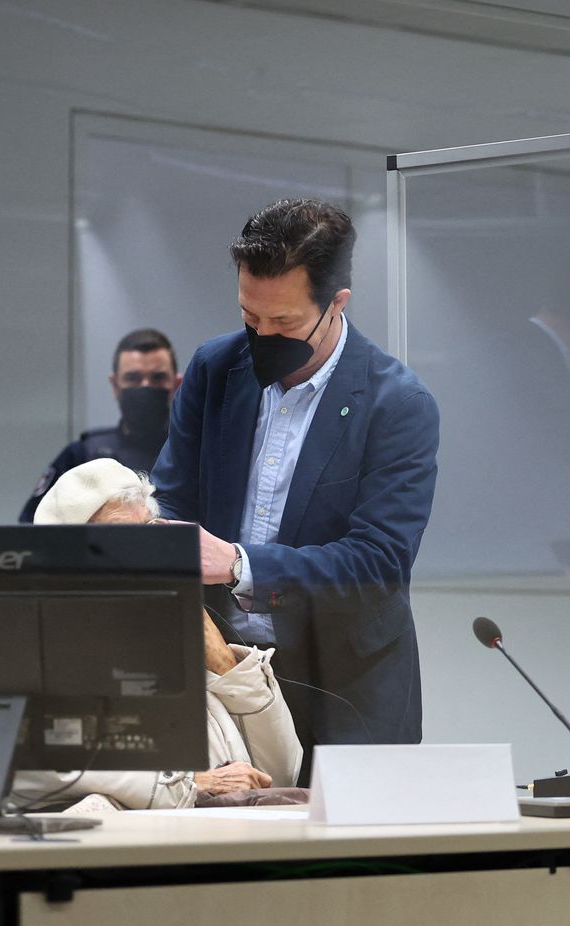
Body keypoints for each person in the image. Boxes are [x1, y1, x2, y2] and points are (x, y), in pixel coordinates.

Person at [150, 198, 439, 768]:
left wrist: (238, 563)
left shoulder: (398, 403)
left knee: (343, 856)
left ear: (337, 303)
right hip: (224, 672)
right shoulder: (214, 369)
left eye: (283, 323)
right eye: (250, 317)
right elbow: (171, 502)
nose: (263, 335)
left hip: (349, 685)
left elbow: (378, 563)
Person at [9, 459, 301, 810]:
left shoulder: (171, 645)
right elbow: (27, 767)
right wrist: (190, 784)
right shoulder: (32, 646)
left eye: (149, 533)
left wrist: (224, 662)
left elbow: (279, 774)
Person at [18, 328, 181, 522]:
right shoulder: (82, 455)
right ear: (115, 385)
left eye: (157, 378)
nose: (145, 386)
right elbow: (32, 530)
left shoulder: (193, 456)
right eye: (133, 378)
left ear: (177, 384)